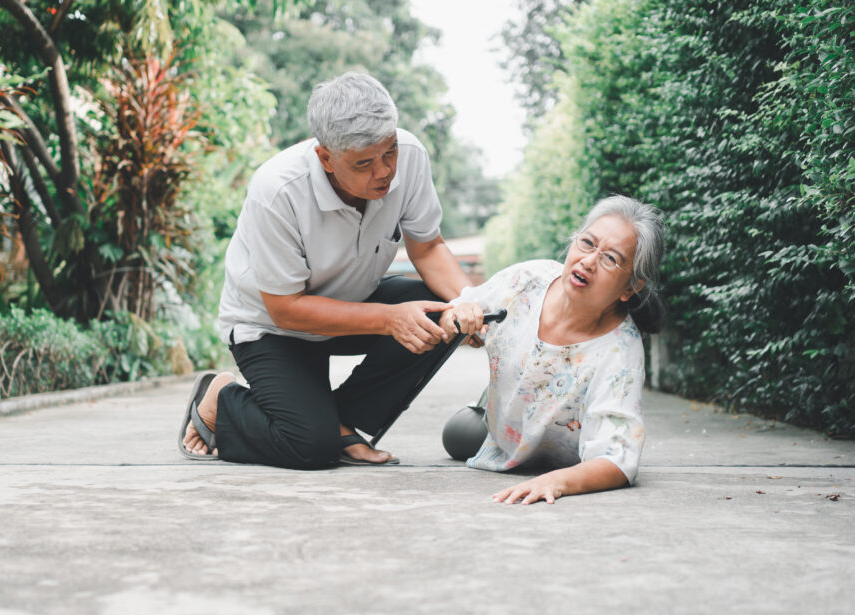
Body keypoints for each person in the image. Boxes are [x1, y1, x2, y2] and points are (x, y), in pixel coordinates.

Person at [178, 71, 475, 468]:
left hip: (352, 307)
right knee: (310, 448)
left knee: (442, 309)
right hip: (273, 327)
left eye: (389, 153)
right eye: (364, 163)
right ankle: (223, 398)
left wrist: (470, 302)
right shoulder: (277, 190)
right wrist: (389, 319)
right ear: (325, 158)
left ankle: (341, 420)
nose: (384, 171)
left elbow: (428, 248)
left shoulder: (412, 156)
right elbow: (285, 308)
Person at [440, 195, 666, 505]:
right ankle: (481, 407)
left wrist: (558, 480)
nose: (588, 261)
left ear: (631, 287)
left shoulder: (621, 352)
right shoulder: (527, 280)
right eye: (587, 243)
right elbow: (457, 308)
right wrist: (460, 318)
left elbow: (618, 459)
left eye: (610, 259)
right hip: (498, 428)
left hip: (560, 459)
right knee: (456, 437)